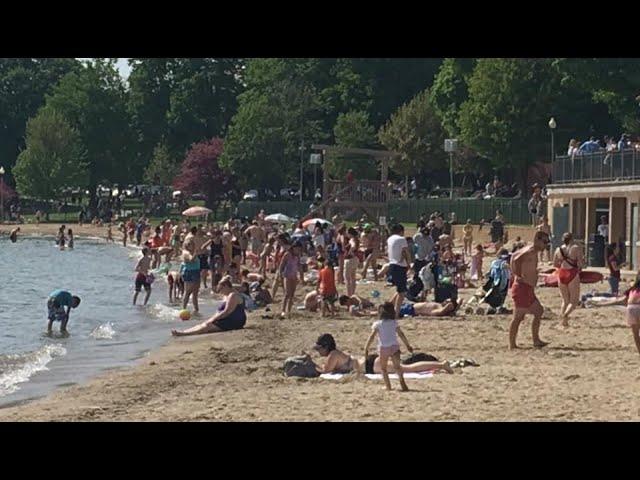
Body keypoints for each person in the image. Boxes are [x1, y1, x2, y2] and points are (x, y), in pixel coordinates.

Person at [312, 333, 453, 375]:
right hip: (370, 362)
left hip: (370, 366)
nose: (319, 352)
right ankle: (440, 364)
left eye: (319, 349)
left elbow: (324, 371)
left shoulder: (333, 355)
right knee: (404, 366)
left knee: (406, 368)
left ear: (326, 347)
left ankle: (441, 364)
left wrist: (311, 364)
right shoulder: (335, 354)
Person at [509, 231, 550, 350]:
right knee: (518, 317)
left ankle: (536, 340)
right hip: (522, 288)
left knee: (538, 311)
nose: (546, 245)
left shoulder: (534, 252)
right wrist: (517, 274)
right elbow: (514, 258)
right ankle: (512, 344)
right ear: (537, 239)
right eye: (545, 242)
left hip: (528, 288)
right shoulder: (530, 250)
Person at [172, 276, 246, 336]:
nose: (221, 292)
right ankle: (185, 331)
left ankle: (185, 334)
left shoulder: (232, 295)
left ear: (226, 286)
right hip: (229, 319)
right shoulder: (230, 294)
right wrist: (213, 319)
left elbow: (227, 312)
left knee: (207, 326)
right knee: (204, 324)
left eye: (221, 290)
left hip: (234, 321)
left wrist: (213, 319)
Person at [364, 302, 412, 391]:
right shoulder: (394, 323)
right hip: (394, 346)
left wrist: (366, 347)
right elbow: (401, 334)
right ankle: (402, 383)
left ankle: (388, 386)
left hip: (384, 348)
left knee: (383, 368)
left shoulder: (377, 324)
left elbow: (372, 337)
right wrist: (407, 345)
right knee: (397, 367)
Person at [553, 232, 583, 327]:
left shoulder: (558, 249)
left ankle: (563, 322)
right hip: (572, 273)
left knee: (565, 300)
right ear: (571, 239)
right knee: (573, 302)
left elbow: (555, 264)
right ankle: (565, 315)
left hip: (561, 273)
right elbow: (580, 263)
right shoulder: (575, 248)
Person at [387, 224, 412, 318]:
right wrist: (409, 264)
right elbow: (406, 252)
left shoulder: (389, 239)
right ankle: (396, 313)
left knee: (399, 290)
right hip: (400, 266)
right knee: (402, 292)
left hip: (392, 265)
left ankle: (387, 307)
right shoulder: (401, 239)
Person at [279, 240, 302, 319]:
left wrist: (301, 276)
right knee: (287, 293)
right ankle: (283, 310)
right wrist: (280, 274)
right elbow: (282, 265)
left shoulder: (297, 256)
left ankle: (289, 310)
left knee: (292, 294)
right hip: (287, 275)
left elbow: (299, 266)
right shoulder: (287, 255)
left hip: (294, 276)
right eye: (297, 249)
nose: (298, 251)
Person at [180, 237, 202, 313]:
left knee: (195, 292)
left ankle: (196, 309)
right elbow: (191, 260)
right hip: (190, 272)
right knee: (188, 292)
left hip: (196, 272)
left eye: (193, 244)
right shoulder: (186, 253)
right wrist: (196, 253)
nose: (193, 246)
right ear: (187, 246)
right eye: (190, 245)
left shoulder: (192, 252)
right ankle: (183, 309)